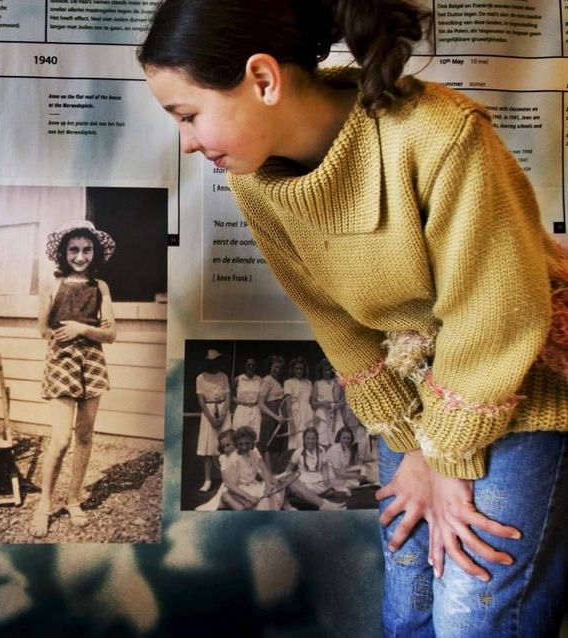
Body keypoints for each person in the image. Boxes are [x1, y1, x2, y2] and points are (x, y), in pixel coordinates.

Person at [139, 0, 568, 635]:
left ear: (263, 79)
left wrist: (447, 458)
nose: (188, 141)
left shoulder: (439, 134)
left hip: (519, 381)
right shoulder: (257, 180)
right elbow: (336, 319)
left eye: (189, 115)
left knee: (469, 619)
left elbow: (494, 314)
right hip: (424, 401)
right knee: (409, 607)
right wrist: (410, 442)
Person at [31, 219, 117, 538]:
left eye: (86, 249)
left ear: (94, 253)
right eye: (73, 249)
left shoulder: (101, 287)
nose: (80, 255)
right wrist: (60, 340)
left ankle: (74, 499)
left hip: (92, 360)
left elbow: (111, 333)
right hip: (62, 359)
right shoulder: (51, 283)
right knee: (61, 438)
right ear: (64, 252)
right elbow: (42, 328)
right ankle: (44, 505)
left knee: (84, 435)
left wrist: (83, 329)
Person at [195, 349, 231, 492]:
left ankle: (228, 480)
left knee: (227, 446)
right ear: (206, 362)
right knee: (208, 449)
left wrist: (222, 417)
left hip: (223, 411)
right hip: (208, 414)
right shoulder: (200, 378)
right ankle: (207, 480)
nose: (214, 363)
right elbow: (201, 401)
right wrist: (212, 419)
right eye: (211, 361)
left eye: (216, 360)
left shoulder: (223, 376)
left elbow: (228, 396)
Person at [256, 354, 288, 472]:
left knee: (276, 445)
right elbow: (261, 403)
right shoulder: (267, 381)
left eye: (279, 368)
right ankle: (268, 474)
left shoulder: (278, 382)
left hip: (279, 417)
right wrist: (275, 416)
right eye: (275, 367)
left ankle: (274, 472)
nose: (277, 370)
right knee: (267, 445)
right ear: (270, 367)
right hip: (269, 417)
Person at [282, 356, 314, 453]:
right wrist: (291, 422)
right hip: (295, 413)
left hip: (307, 413)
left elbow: (310, 401)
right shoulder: (288, 382)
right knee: (296, 441)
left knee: (308, 438)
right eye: (296, 369)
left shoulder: (309, 383)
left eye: (301, 368)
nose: (299, 371)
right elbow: (288, 404)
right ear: (293, 369)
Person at [311, 357, 343, 445]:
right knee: (322, 437)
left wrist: (338, 405)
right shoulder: (317, 383)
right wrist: (322, 404)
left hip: (335, 412)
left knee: (336, 436)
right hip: (322, 412)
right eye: (325, 370)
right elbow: (313, 403)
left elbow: (343, 399)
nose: (327, 372)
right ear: (321, 371)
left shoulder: (337, 382)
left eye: (329, 370)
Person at [232, 356, 262, 434]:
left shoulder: (259, 380)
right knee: (239, 433)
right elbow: (230, 393)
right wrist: (238, 401)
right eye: (249, 365)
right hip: (241, 409)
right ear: (245, 366)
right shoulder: (239, 379)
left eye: (253, 365)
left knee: (254, 434)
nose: (251, 367)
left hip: (255, 409)